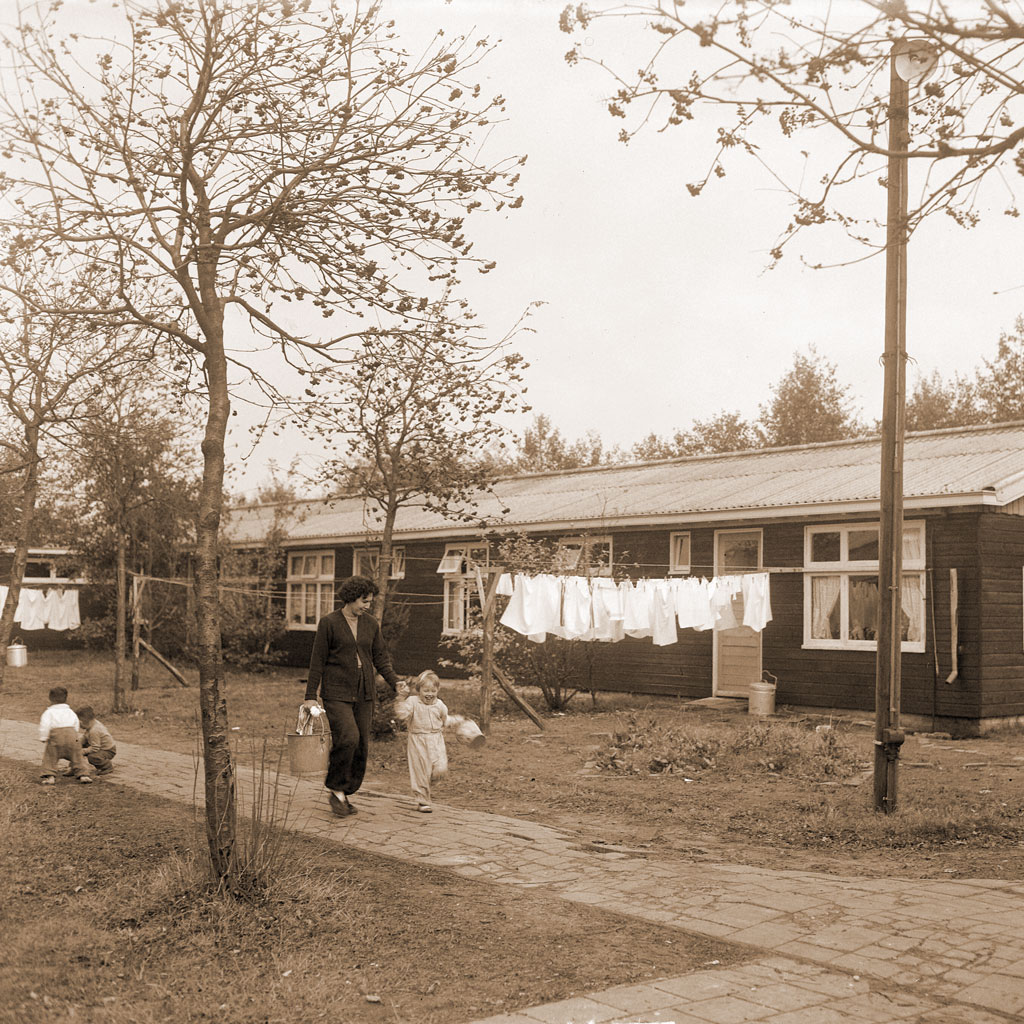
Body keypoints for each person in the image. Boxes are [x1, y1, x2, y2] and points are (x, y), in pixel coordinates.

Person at [301, 575, 400, 817]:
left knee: (361, 745)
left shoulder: (371, 624)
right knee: (348, 737)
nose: (367, 605)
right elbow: (317, 660)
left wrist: (396, 682)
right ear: (351, 597)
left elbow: (380, 658)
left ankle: (344, 792)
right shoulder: (329, 623)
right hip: (337, 693)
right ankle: (336, 789)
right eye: (364, 601)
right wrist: (310, 695)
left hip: (364, 692)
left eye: (370, 601)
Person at [394, 670, 448, 813]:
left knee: (440, 768)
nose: (430, 694)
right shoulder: (413, 702)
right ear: (419, 690)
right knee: (420, 771)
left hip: (436, 739)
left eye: (433, 691)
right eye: (426, 690)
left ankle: (430, 781)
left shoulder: (440, 705)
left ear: (438, 690)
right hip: (418, 740)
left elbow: (445, 719)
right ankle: (422, 800)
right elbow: (402, 714)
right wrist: (401, 699)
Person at [39, 686, 91, 784]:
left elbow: (45, 725)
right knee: (77, 755)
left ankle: (50, 776)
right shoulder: (71, 712)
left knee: (50, 756)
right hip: (72, 736)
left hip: (56, 737)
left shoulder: (49, 712)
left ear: (50, 698)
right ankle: (83, 775)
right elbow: (76, 724)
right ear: (66, 698)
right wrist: (75, 736)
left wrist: (43, 737)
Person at [76, 706, 116, 775]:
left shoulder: (94, 730)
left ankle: (107, 766)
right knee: (77, 747)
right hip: (100, 746)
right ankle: (76, 767)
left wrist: (83, 751)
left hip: (108, 750)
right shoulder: (92, 724)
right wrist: (77, 743)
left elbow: (95, 748)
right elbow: (85, 737)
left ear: (81, 722)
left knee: (92, 757)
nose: (79, 726)